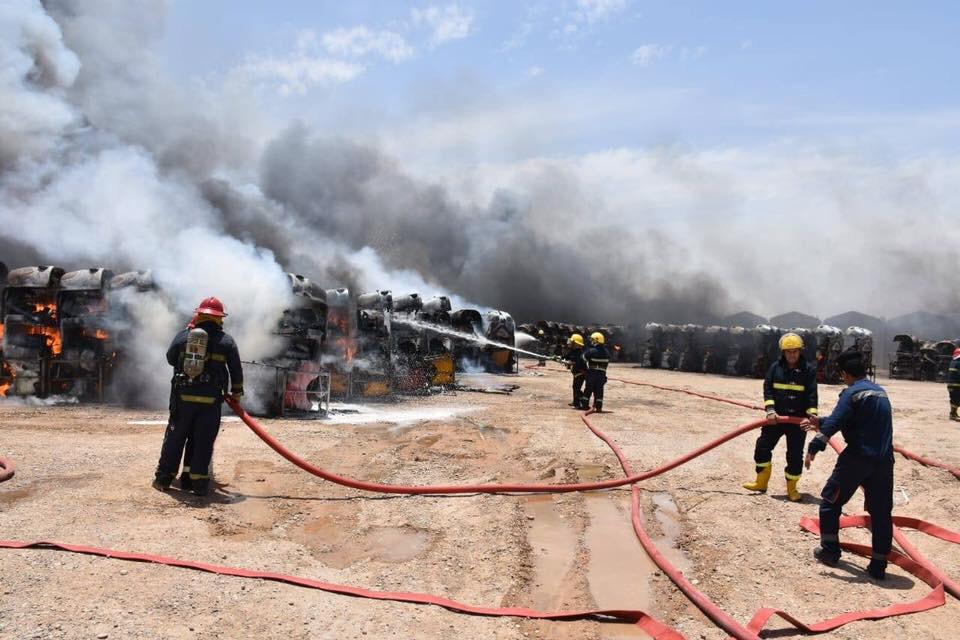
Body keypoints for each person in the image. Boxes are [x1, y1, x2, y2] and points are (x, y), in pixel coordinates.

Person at [802, 349, 894, 580]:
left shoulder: (851, 393)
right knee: (881, 513)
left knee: (830, 502)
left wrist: (814, 446)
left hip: (857, 459)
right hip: (884, 462)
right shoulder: (880, 392)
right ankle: (879, 566)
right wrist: (821, 421)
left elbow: (838, 421)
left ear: (845, 373)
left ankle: (830, 552)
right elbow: (857, 419)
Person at [153, 297, 243, 497]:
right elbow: (236, 371)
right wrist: (236, 393)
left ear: (199, 315)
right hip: (210, 403)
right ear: (219, 318)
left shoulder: (183, 336)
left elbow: (170, 358)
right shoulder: (226, 341)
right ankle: (198, 483)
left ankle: (163, 479)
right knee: (203, 441)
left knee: (175, 438)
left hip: (182, 400)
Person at [743, 332, 818, 501]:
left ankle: (792, 489)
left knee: (794, 455)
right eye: (788, 351)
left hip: (797, 421)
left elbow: (812, 395)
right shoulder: (775, 368)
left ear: (800, 351)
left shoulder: (808, 370)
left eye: (795, 351)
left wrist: (811, 416)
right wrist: (770, 410)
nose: (792, 355)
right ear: (783, 352)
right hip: (775, 418)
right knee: (762, 446)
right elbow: (768, 389)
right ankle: (761, 482)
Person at [582, 332, 610, 412]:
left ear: (596, 341)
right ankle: (599, 407)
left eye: (592, 340)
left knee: (588, 389)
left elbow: (583, 358)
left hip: (592, 373)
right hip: (601, 375)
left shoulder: (591, 351)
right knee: (599, 391)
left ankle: (585, 405)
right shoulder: (607, 352)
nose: (591, 341)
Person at [563, 333, 588, 409]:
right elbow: (566, 357)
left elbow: (577, 362)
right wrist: (558, 358)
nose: (570, 343)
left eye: (572, 342)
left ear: (576, 344)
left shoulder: (579, 353)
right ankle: (576, 402)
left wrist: (570, 362)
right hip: (576, 373)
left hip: (581, 373)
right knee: (575, 387)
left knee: (576, 388)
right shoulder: (573, 351)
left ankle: (584, 403)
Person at [948, 347, 960, 421]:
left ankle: (953, 414)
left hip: (951, 385)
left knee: (954, 400)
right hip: (956, 385)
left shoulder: (953, 362)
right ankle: (953, 414)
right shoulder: (958, 362)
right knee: (956, 400)